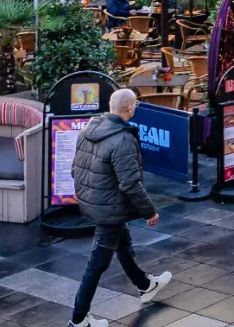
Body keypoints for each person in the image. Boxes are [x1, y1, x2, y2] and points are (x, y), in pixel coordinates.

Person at [68, 87, 172, 325]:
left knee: (122, 245)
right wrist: (150, 211)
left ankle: (146, 285)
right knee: (97, 263)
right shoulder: (123, 139)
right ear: (129, 108)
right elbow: (130, 184)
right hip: (110, 210)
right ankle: (78, 319)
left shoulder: (88, 130)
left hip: (95, 203)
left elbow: (75, 169)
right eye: (135, 104)